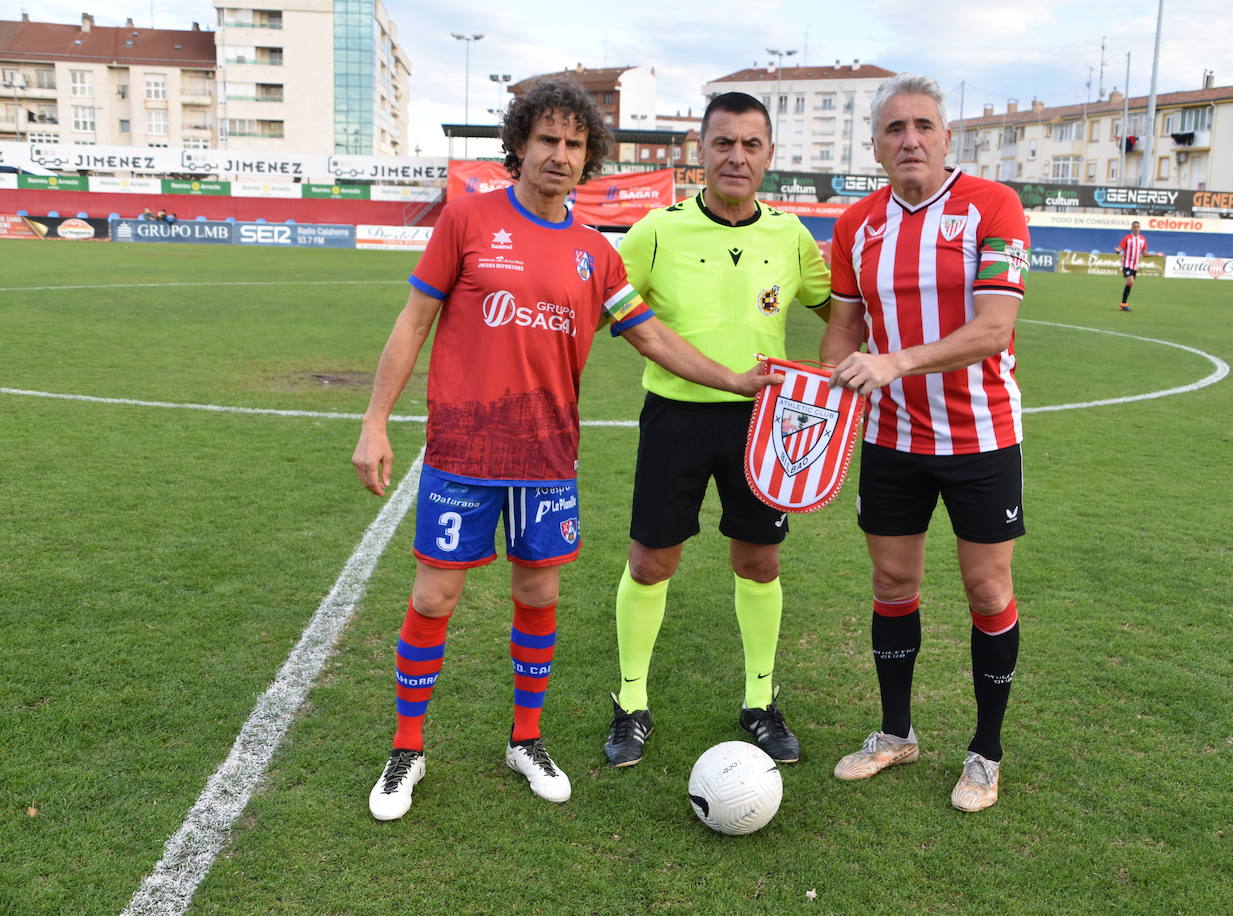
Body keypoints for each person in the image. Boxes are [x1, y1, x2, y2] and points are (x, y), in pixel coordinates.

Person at [352, 78, 778, 821]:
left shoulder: (594, 254)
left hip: (547, 456)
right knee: (434, 596)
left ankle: (525, 740)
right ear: (519, 145)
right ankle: (407, 750)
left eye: (574, 144)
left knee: (538, 594)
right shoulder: (467, 220)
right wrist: (374, 423)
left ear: (590, 157)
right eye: (546, 140)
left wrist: (735, 380)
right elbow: (413, 321)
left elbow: (650, 337)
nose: (559, 155)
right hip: (463, 451)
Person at [601, 92, 831, 769]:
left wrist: (838, 378)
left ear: (768, 156)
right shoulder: (654, 232)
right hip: (674, 418)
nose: (737, 157)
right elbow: (602, 307)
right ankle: (631, 702)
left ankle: (760, 701)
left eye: (751, 145)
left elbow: (840, 307)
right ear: (699, 151)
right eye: (723, 143)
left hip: (764, 425)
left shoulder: (791, 237)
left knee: (759, 560)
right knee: (651, 560)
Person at [821, 74, 1030, 812]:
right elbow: (845, 328)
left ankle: (985, 752)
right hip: (891, 440)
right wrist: (823, 400)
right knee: (892, 586)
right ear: (876, 146)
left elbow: (993, 329)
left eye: (923, 125)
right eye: (894, 129)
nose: (910, 139)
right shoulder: (857, 225)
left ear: (947, 138)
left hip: (981, 439)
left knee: (987, 589)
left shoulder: (992, 206)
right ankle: (895, 733)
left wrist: (896, 361)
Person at [1115, 221, 1148, 311]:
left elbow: (1145, 254)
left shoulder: (1143, 239)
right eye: (1134, 227)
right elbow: (1120, 248)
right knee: (1131, 281)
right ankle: (1123, 304)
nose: (1136, 228)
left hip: (1134, 266)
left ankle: (1123, 304)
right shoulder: (1127, 238)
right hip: (1126, 264)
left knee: (1130, 284)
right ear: (1131, 228)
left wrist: (1157, 255)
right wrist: (1118, 250)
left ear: (1140, 228)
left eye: (1137, 227)